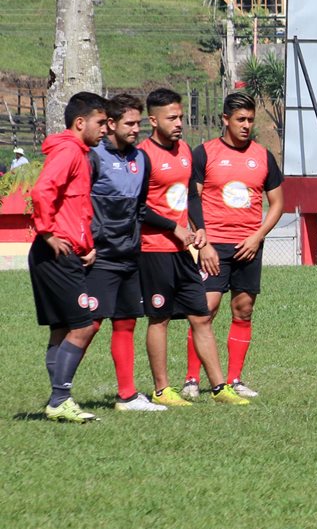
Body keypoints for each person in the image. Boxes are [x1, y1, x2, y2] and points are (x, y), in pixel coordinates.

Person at [137, 88, 249, 407]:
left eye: (181, 117)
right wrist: (175, 228)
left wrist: (200, 230)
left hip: (184, 251)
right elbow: (138, 207)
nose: (179, 123)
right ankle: (162, 390)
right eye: (171, 118)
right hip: (155, 249)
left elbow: (190, 197)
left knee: (200, 316)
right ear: (153, 120)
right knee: (158, 319)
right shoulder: (143, 156)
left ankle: (219, 388)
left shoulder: (185, 150)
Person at [179, 91, 284, 400]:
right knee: (205, 310)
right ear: (225, 119)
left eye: (250, 120)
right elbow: (192, 197)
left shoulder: (263, 156)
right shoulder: (205, 153)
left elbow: (277, 203)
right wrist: (205, 240)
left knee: (244, 310)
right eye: (240, 119)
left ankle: (235, 379)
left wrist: (258, 236)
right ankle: (191, 379)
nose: (246, 125)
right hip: (215, 247)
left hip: (249, 246)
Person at [29, 92, 108, 422]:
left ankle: (59, 400)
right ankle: (60, 399)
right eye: (101, 123)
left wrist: (85, 244)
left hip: (64, 252)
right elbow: (42, 190)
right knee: (82, 324)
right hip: (54, 253)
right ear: (80, 122)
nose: (106, 129)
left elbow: (75, 207)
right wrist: (47, 232)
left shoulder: (79, 152)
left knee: (61, 329)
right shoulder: (69, 151)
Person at [86, 93, 165, 412]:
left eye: (137, 122)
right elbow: (80, 202)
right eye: (129, 123)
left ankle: (127, 395)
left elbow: (140, 207)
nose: (135, 129)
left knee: (126, 322)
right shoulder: (93, 157)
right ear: (110, 124)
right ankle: (60, 391)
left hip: (130, 254)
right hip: (99, 255)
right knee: (88, 325)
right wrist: (87, 241)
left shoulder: (141, 159)